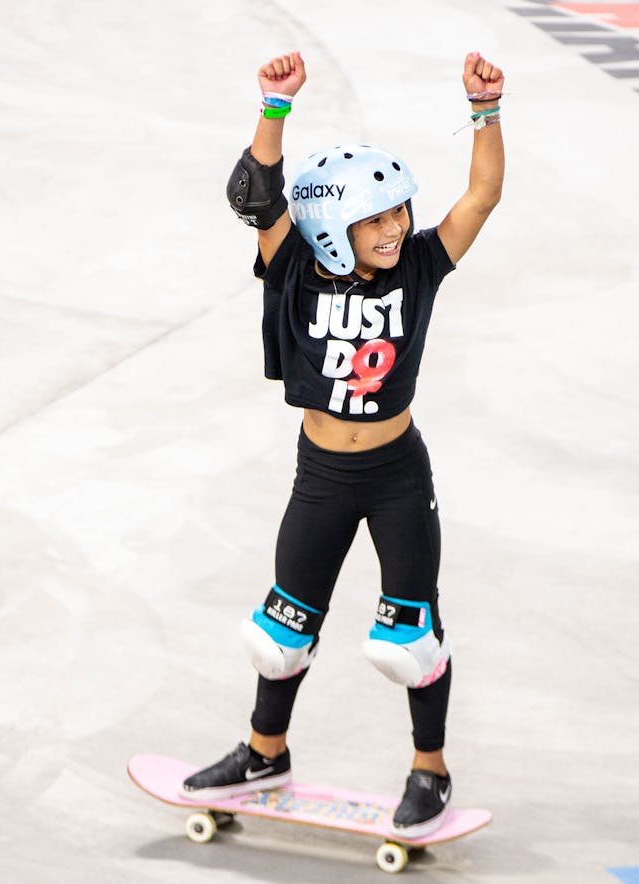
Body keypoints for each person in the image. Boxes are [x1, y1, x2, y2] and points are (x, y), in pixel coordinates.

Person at [181, 49, 505, 839]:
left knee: (410, 638)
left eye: (398, 211)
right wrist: (274, 106)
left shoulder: (421, 265)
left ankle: (429, 770)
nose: (397, 227)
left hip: (397, 474)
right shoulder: (292, 267)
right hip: (321, 475)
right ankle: (265, 754)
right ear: (331, 228)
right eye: (377, 217)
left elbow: (483, 195)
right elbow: (256, 194)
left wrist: (484, 110)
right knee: (279, 632)